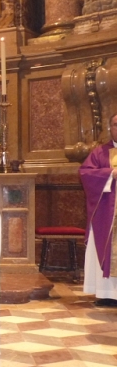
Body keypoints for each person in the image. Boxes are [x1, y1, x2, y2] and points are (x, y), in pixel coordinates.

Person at [80, 112, 117, 306]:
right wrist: (111, 174)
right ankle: (106, 293)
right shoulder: (100, 153)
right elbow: (86, 173)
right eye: (116, 124)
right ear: (110, 128)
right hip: (107, 213)